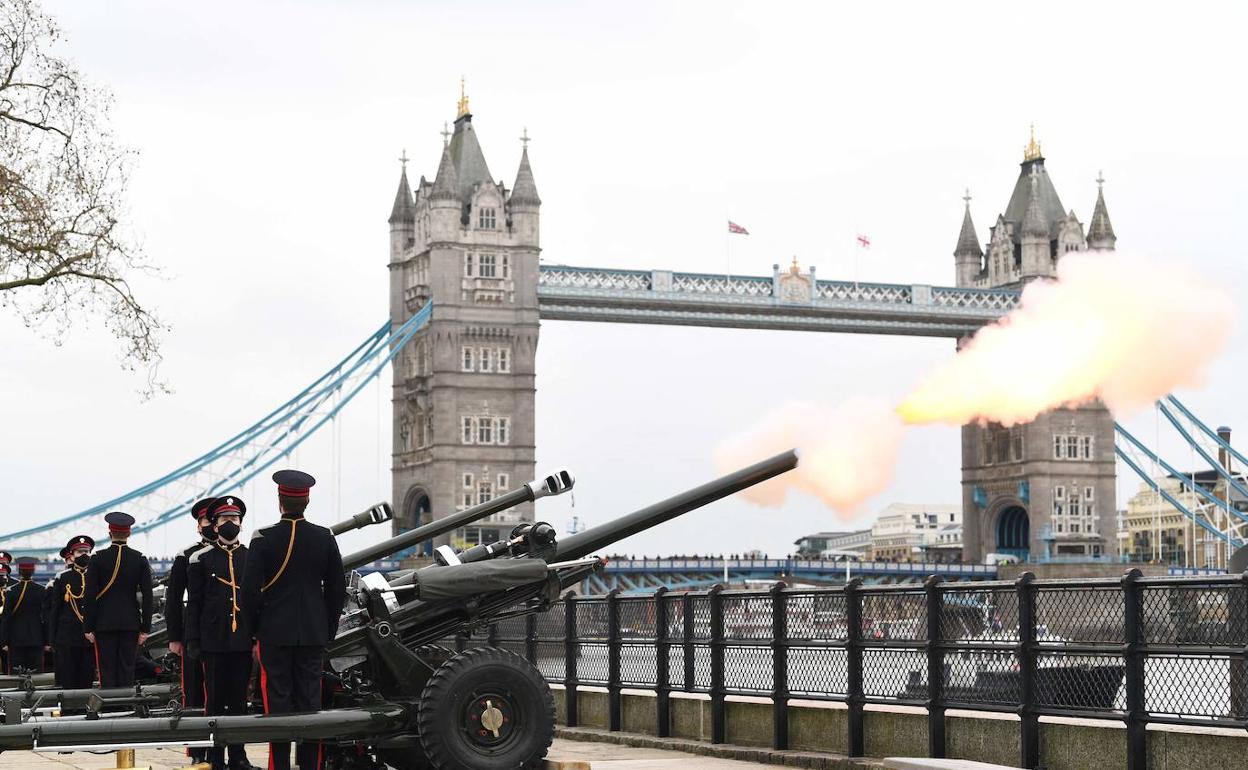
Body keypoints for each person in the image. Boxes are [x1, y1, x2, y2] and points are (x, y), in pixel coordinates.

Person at [241, 470, 346, 770]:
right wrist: (327, 628)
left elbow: (249, 592)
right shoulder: (324, 537)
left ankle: (280, 767)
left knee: (277, 705)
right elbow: (336, 589)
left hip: (274, 633)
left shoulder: (263, 538)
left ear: (280, 501)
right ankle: (311, 766)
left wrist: (256, 630)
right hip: (313, 634)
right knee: (311, 705)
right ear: (307, 500)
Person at [187, 495, 260, 770]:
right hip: (214, 641)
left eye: (234, 519)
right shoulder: (200, 559)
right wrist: (193, 639)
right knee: (215, 702)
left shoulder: (251, 557)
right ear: (215, 526)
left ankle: (238, 757)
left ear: (241, 523)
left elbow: (257, 599)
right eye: (224, 519)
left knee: (240, 701)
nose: (230, 523)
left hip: (242, 639)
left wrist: (257, 636)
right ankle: (215, 757)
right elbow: (194, 603)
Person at [166, 497, 216, 767]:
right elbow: (174, 600)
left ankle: (223, 748)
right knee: (194, 692)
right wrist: (175, 636)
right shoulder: (186, 555)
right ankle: (197, 750)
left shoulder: (236, 552)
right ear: (199, 525)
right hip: (192, 632)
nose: (210, 525)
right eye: (206, 521)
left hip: (224, 633)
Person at [82, 512, 154, 687]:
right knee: (127, 667)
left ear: (109, 533)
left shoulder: (98, 559)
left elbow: (90, 595)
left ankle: (110, 707)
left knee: (106, 668)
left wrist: (88, 627)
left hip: (103, 623)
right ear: (129, 534)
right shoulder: (139, 559)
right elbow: (147, 595)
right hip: (131, 623)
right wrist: (145, 628)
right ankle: (126, 706)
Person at [46, 535, 96, 689]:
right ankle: (69, 710)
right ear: (72, 555)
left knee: (87, 676)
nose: (84, 554)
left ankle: (86, 710)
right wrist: (52, 638)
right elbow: (55, 609)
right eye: (80, 552)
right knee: (68, 677)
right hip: (67, 636)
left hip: (89, 636)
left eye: (87, 551)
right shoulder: (63, 577)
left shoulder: (95, 575)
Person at [1, 558, 46, 673]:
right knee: (36, 674)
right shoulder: (41, 590)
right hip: (36, 637)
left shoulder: (11, 591)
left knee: (17, 674)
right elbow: (46, 617)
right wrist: (47, 641)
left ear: (19, 571)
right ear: (34, 570)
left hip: (15, 639)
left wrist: (4, 641)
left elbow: (6, 618)